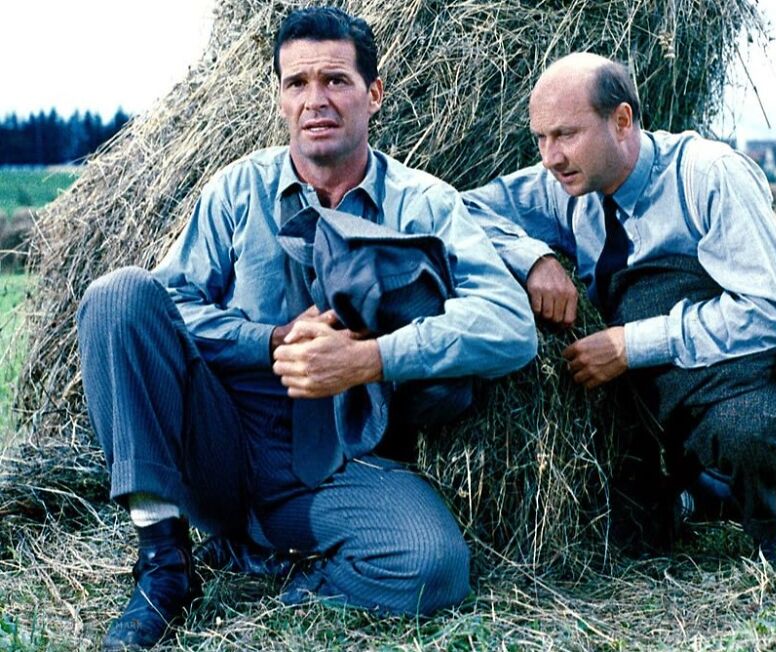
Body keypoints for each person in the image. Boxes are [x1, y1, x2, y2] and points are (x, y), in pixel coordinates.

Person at [76, 7, 536, 650]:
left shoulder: (425, 202)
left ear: (373, 94)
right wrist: (265, 340)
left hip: (341, 462)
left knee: (434, 567)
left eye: (336, 80)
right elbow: (170, 304)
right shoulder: (239, 190)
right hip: (223, 447)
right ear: (279, 97)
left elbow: (511, 324)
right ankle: (164, 567)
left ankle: (271, 566)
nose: (315, 100)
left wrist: (370, 359)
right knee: (118, 294)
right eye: (297, 84)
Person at [464, 52, 776, 563]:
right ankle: (699, 489)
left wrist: (631, 344)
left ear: (622, 120)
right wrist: (534, 258)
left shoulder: (710, 176)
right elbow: (461, 209)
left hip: (724, 372)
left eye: (565, 134)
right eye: (540, 138)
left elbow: (767, 312)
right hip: (634, 397)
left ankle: (770, 514)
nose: (550, 156)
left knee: (755, 430)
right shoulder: (561, 185)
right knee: (634, 539)